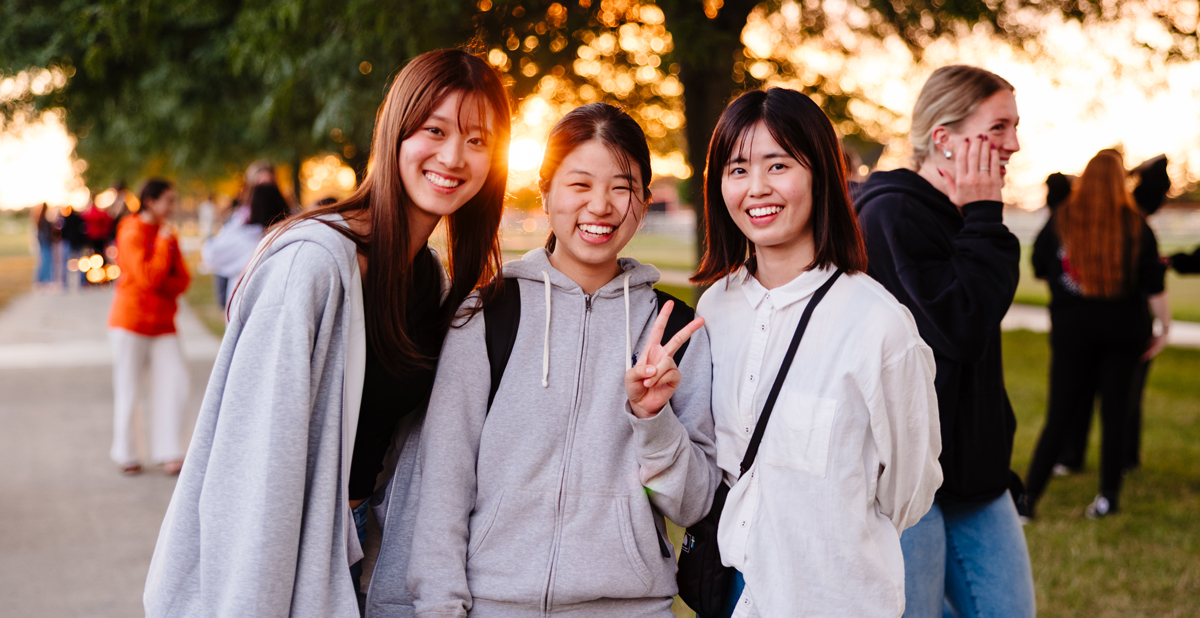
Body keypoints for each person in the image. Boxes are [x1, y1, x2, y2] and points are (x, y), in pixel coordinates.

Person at [144, 49, 512, 617]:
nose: (453, 156)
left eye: (477, 140)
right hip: (285, 557)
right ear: (396, 133)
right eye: (435, 130)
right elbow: (253, 468)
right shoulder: (311, 268)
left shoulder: (429, 280)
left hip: (358, 549)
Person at [406, 103, 717, 618]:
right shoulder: (487, 315)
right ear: (546, 192)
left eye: (622, 187)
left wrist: (653, 420)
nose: (601, 205)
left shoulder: (674, 331)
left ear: (643, 201)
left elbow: (691, 504)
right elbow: (443, 486)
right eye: (580, 185)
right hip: (495, 606)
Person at [690, 88, 941, 618]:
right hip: (735, 594)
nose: (756, 187)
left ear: (820, 175)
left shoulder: (877, 323)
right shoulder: (716, 307)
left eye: (778, 165)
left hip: (836, 598)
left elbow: (909, 489)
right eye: (738, 170)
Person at [854, 65, 1034, 617]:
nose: (1014, 144)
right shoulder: (891, 213)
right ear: (943, 139)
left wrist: (979, 216)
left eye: (1015, 127)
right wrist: (984, 215)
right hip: (909, 480)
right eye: (998, 128)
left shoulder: (963, 216)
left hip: (975, 475)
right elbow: (959, 326)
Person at [1024, 151, 1169, 519]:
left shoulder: (1061, 218)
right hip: (1125, 327)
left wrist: (1069, 285)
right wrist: (1164, 327)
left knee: (1060, 413)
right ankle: (1108, 498)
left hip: (1073, 328)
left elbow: (1039, 266)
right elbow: (1153, 281)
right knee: (1115, 413)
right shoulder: (1136, 223)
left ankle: (1029, 499)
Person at [107, 179, 191, 475]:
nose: (173, 206)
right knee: (129, 388)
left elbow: (183, 279)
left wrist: (161, 282)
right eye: (169, 200)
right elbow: (149, 277)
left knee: (176, 383)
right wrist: (163, 248)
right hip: (131, 322)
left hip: (163, 323)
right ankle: (127, 453)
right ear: (151, 202)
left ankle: (170, 450)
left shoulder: (167, 232)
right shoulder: (132, 231)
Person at [201, 183, 292, 309]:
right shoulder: (289, 238)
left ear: (253, 206)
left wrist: (234, 225)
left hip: (245, 309)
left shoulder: (246, 238)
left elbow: (210, 253)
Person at [32, 202, 56, 290]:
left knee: (44, 262)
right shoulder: (44, 220)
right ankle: (44, 280)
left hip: (43, 243)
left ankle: (41, 281)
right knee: (46, 262)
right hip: (46, 243)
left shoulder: (40, 218)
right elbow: (46, 233)